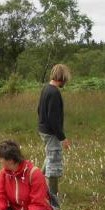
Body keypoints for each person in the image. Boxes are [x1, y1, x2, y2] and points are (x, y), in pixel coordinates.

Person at [37, 63, 71, 199]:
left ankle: (37, 183)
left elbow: (39, 110)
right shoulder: (54, 92)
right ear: (62, 77)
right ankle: (52, 196)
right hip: (51, 133)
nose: (66, 82)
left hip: (43, 130)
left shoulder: (46, 89)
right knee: (54, 162)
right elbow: (53, 118)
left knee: (49, 157)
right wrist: (62, 137)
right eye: (65, 79)